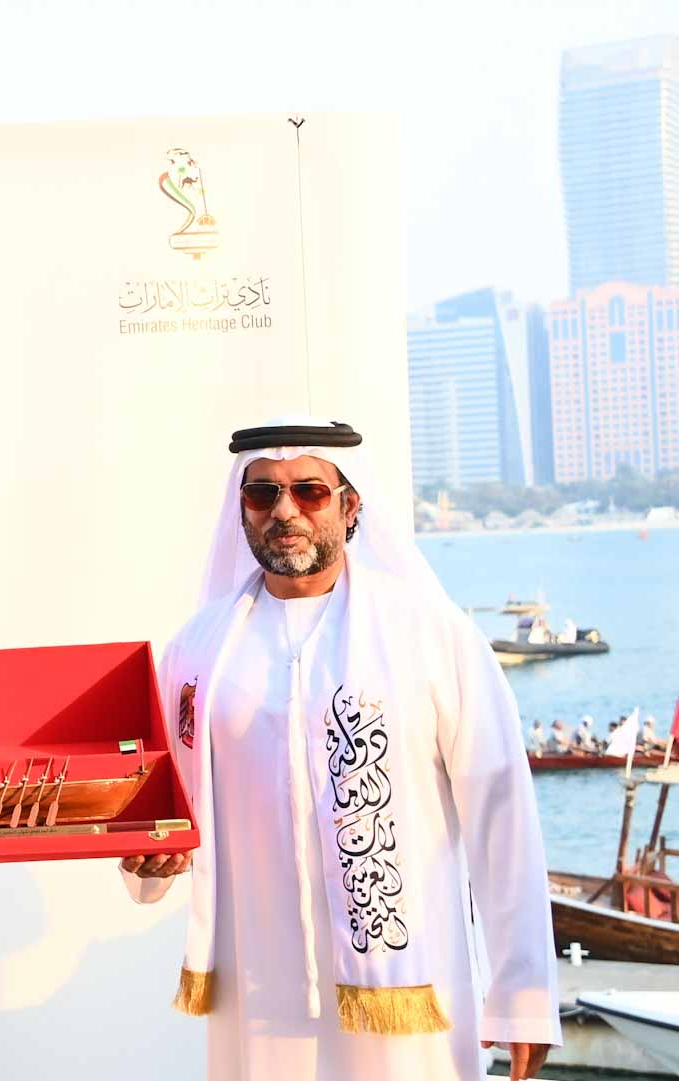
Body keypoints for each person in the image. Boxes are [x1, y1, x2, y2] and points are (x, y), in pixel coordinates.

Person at [120, 417, 559, 1080]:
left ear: (350, 506)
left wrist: (523, 993)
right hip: (258, 994)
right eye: (263, 493)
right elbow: (160, 810)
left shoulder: (432, 636)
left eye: (310, 492)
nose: (285, 510)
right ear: (241, 509)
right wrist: (145, 863)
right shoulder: (198, 653)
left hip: (412, 997)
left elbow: (503, 814)